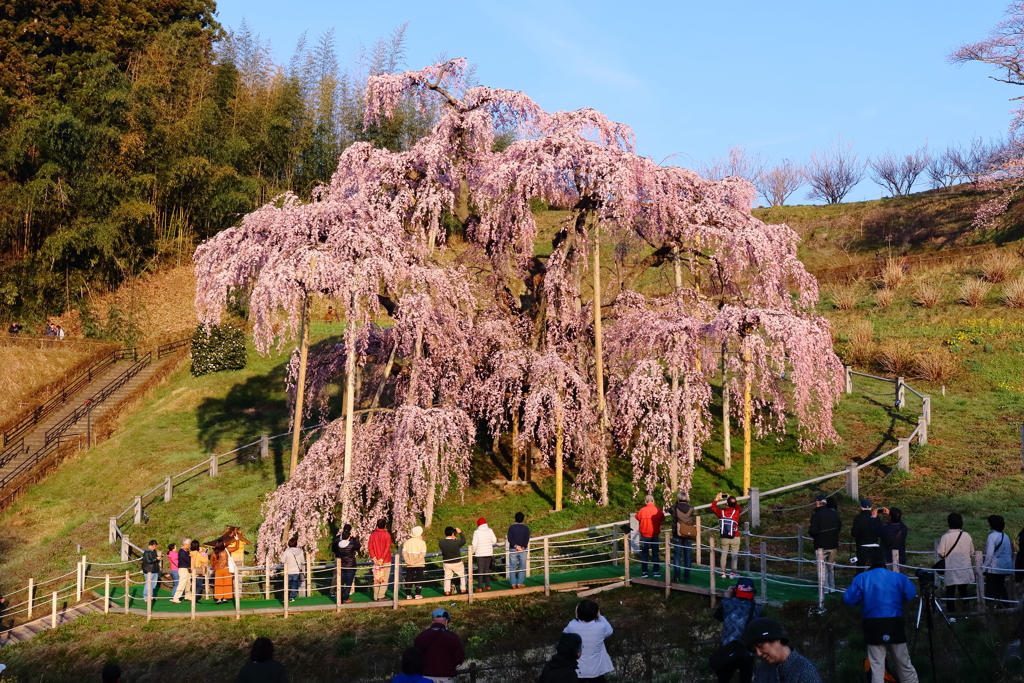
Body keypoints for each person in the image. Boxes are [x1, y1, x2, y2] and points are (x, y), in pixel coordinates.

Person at [842, 556, 919, 683]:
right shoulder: (899, 577)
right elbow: (910, 595)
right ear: (884, 561)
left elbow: (850, 600)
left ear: (868, 562)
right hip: (895, 621)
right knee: (904, 663)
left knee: (877, 666)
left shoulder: (861, 578)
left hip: (873, 623)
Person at [711, 579, 762, 683]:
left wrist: (727, 596)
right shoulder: (757, 608)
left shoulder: (727, 604)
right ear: (753, 593)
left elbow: (718, 616)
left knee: (723, 680)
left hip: (728, 650)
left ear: (735, 591)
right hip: (747, 652)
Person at [742, 618, 823, 683]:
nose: (758, 653)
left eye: (760, 646)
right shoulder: (763, 669)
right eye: (754, 650)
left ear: (777, 639)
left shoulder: (805, 671)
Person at [563, 599, 614, 682]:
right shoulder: (601, 627)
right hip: (596, 670)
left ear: (578, 612)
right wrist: (600, 616)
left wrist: (577, 616)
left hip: (577, 670)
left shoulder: (572, 625)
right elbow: (610, 630)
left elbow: (565, 633)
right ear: (595, 613)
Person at [936, 513, 975, 617]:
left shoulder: (945, 537)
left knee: (950, 592)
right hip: (964, 567)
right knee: (963, 590)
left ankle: (951, 614)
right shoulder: (967, 535)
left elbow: (941, 552)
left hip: (951, 567)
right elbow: (972, 551)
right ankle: (966, 612)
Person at [414, 608, 465, 683]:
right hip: (445, 677)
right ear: (446, 621)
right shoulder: (452, 636)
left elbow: (415, 657)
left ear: (433, 620)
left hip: (425, 678)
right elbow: (458, 658)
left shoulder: (421, 636)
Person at [808, 494, 842, 592]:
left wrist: (811, 532)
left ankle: (825, 588)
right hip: (833, 544)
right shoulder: (834, 514)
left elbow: (813, 531)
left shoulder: (816, 516)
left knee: (822, 568)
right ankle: (832, 587)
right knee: (830, 567)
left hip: (820, 546)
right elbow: (839, 526)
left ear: (817, 503)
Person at [983, 514, 1014, 604]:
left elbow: (989, 555)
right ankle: (1005, 608)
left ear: (991, 525)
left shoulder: (992, 536)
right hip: (1004, 567)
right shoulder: (1006, 536)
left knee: (990, 591)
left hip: (994, 568)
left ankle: (991, 609)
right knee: (1001, 588)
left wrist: (984, 568)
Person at [711, 494, 742, 578]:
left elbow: (713, 508)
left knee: (723, 554)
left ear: (726, 504)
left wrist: (716, 499)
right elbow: (738, 507)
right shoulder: (736, 512)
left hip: (724, 536)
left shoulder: (722, 512)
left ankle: (722, 572)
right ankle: (733, 573)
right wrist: (731, 499)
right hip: (735, 535)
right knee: (734, 555)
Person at [636, 494, 665, 578]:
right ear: (653, 501)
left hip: (645, 534)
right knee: (655, 553)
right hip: (655, 534)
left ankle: (644, 572)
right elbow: (662, 519)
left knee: (645, 553)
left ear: (645, 501)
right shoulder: (658, 510)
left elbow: (637, 517)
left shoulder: (642, 510)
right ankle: (656, 571)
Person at [669, 491, 695, 584]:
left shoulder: (674, 508)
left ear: (678, 499)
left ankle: (676, 577)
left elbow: (670, 510)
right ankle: (687, 577)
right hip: (688, 534)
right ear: (686, 499)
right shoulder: (691, 508)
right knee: (687, 556)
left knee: (677, 556)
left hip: (678, 533)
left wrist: (676, 503)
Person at [850, 498, 882, 572]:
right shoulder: (876, 518)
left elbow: (854, 533)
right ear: (871, 508)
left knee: (860, 568)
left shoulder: (858, 518)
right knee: (874, 567)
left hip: (862, 546)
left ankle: (860, 581)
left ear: (861, 508)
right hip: (875, 546)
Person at [333, 524, 361, 603]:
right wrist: (355, 538)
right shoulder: (351, 545)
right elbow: (358, 546)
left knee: (341, 582)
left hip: (342, 565)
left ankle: (340, 598)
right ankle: (345, 598)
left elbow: (334, 549)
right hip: (350, 565)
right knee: (348, 583)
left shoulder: (339, 544)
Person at [369, 519, 393, 601]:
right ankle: (381, 595)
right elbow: (387, 548)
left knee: (377, 579)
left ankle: (375, 596)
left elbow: (370, 547)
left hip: (376, 561)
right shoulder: (387, 535)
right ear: (385, 526)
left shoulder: (372, 535)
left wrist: (374, 558)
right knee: (384, 579)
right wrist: (382, 559)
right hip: (385, 560)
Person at [471, 517, 497, 591]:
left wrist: (472, 552)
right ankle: (487, 585)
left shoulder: (476, 532)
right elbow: (494, 540)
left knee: (480, 571)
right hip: (488, 553)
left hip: (480, 554)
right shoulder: (490, 530)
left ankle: (480, 587)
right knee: (487, 570)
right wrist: (489, 544)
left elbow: (474, 544)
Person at [439, 527, 466, 595]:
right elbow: (463, 540)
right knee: (463, 575)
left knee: (447, 577)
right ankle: (463, 589)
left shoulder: (441, 542)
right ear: (453, 533)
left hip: (447, 562)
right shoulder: (456, 542)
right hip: (457, 562)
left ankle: (447, 591)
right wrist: (460, 533)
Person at [403, 526, 427, 600]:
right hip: (419, 564)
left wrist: (408, 561)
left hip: (409, 564)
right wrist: (415, 561)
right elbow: (422, 554)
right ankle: (417, 594)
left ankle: (408, 594)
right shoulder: (422, 543)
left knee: (409, 578)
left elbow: (404, 553)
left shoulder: (407, 542)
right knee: (419, 578)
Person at [507, 512, 530, 589]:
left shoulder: (511, 527)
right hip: (523, 550)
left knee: (512, 567)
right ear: (523, 519)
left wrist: (516, 546)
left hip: (513, 549)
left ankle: (513, 583)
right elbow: (526, 539)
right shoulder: (526, 528)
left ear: (515, 518)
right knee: (522, 566)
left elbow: (510, 538)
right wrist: (522, 547)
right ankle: (520, 583)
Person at [281, 537, 305, 602]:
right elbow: (302, 560)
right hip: (296, 571)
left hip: (288, 571)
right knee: (294, 584)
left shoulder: (287, 551)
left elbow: (282, 560)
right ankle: (292, 597)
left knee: (286, 584)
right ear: (296, 544)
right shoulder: (300, 551)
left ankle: (285, 598)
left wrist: (287, 562)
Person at [210, 538, 233, 604]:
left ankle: (219, 598)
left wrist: (214, 568)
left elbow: (211, 561)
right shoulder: (226, 550)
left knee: (218, 584)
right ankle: (225, 597)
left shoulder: (214, 552)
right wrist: (237, 540)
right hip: (226, 569)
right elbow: (236, 548)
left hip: (218, 570)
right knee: (227, 584)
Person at [171, 537, 193, 603]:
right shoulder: (182, 551)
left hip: (187, 568)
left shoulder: (186, 551)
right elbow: (186, 559)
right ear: (186, 544)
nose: (189, 545)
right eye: (189, 544)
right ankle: (176, 598)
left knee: (188, 583)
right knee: (182, 583)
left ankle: (188, 595)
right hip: (183, 568)